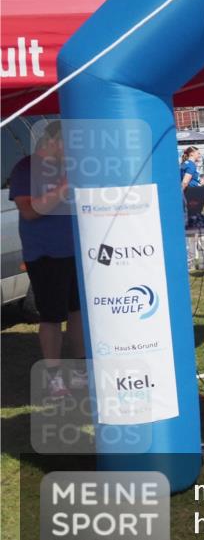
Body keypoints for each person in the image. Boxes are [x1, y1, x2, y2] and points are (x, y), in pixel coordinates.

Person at [8, 122, 86, 397]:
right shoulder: (26, 169)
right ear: (52, 140)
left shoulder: (69, 167)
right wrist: (64, 187)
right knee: (52, 316)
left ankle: (79, 371)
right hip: (46, 255)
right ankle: (54, 378)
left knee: (78, 312)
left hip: (76, 252)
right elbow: (29, 211)